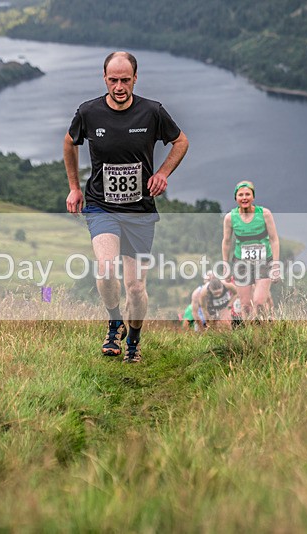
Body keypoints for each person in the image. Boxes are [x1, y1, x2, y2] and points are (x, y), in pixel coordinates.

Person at [64, 51, 189, 363]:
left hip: (140, 211)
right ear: (104, 78)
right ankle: (114, 321)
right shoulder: (88, 112)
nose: (119, 87)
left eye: (125, 80)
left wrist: (163, 173)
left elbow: (181, 142)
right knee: (106, 268)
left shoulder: (152, 112)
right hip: (101, 205)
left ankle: (133, 339)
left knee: (135, 288)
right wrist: (74, 188)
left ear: (135, 78)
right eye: (113, 80)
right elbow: (69, 142)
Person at [222, 180, 280, 322]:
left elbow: (274, 239)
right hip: (241, 264)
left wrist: (276, 265)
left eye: (247, 194)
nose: (244, 198)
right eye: (241, 195)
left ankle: (265, 330)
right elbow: (227, 242)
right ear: (236, 198)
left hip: (263, 262)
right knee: (246, 306)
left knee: (259, 302)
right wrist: (225, 265)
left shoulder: (265, 214)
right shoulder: (230, 217)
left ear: (253, 197)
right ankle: (250, 334)